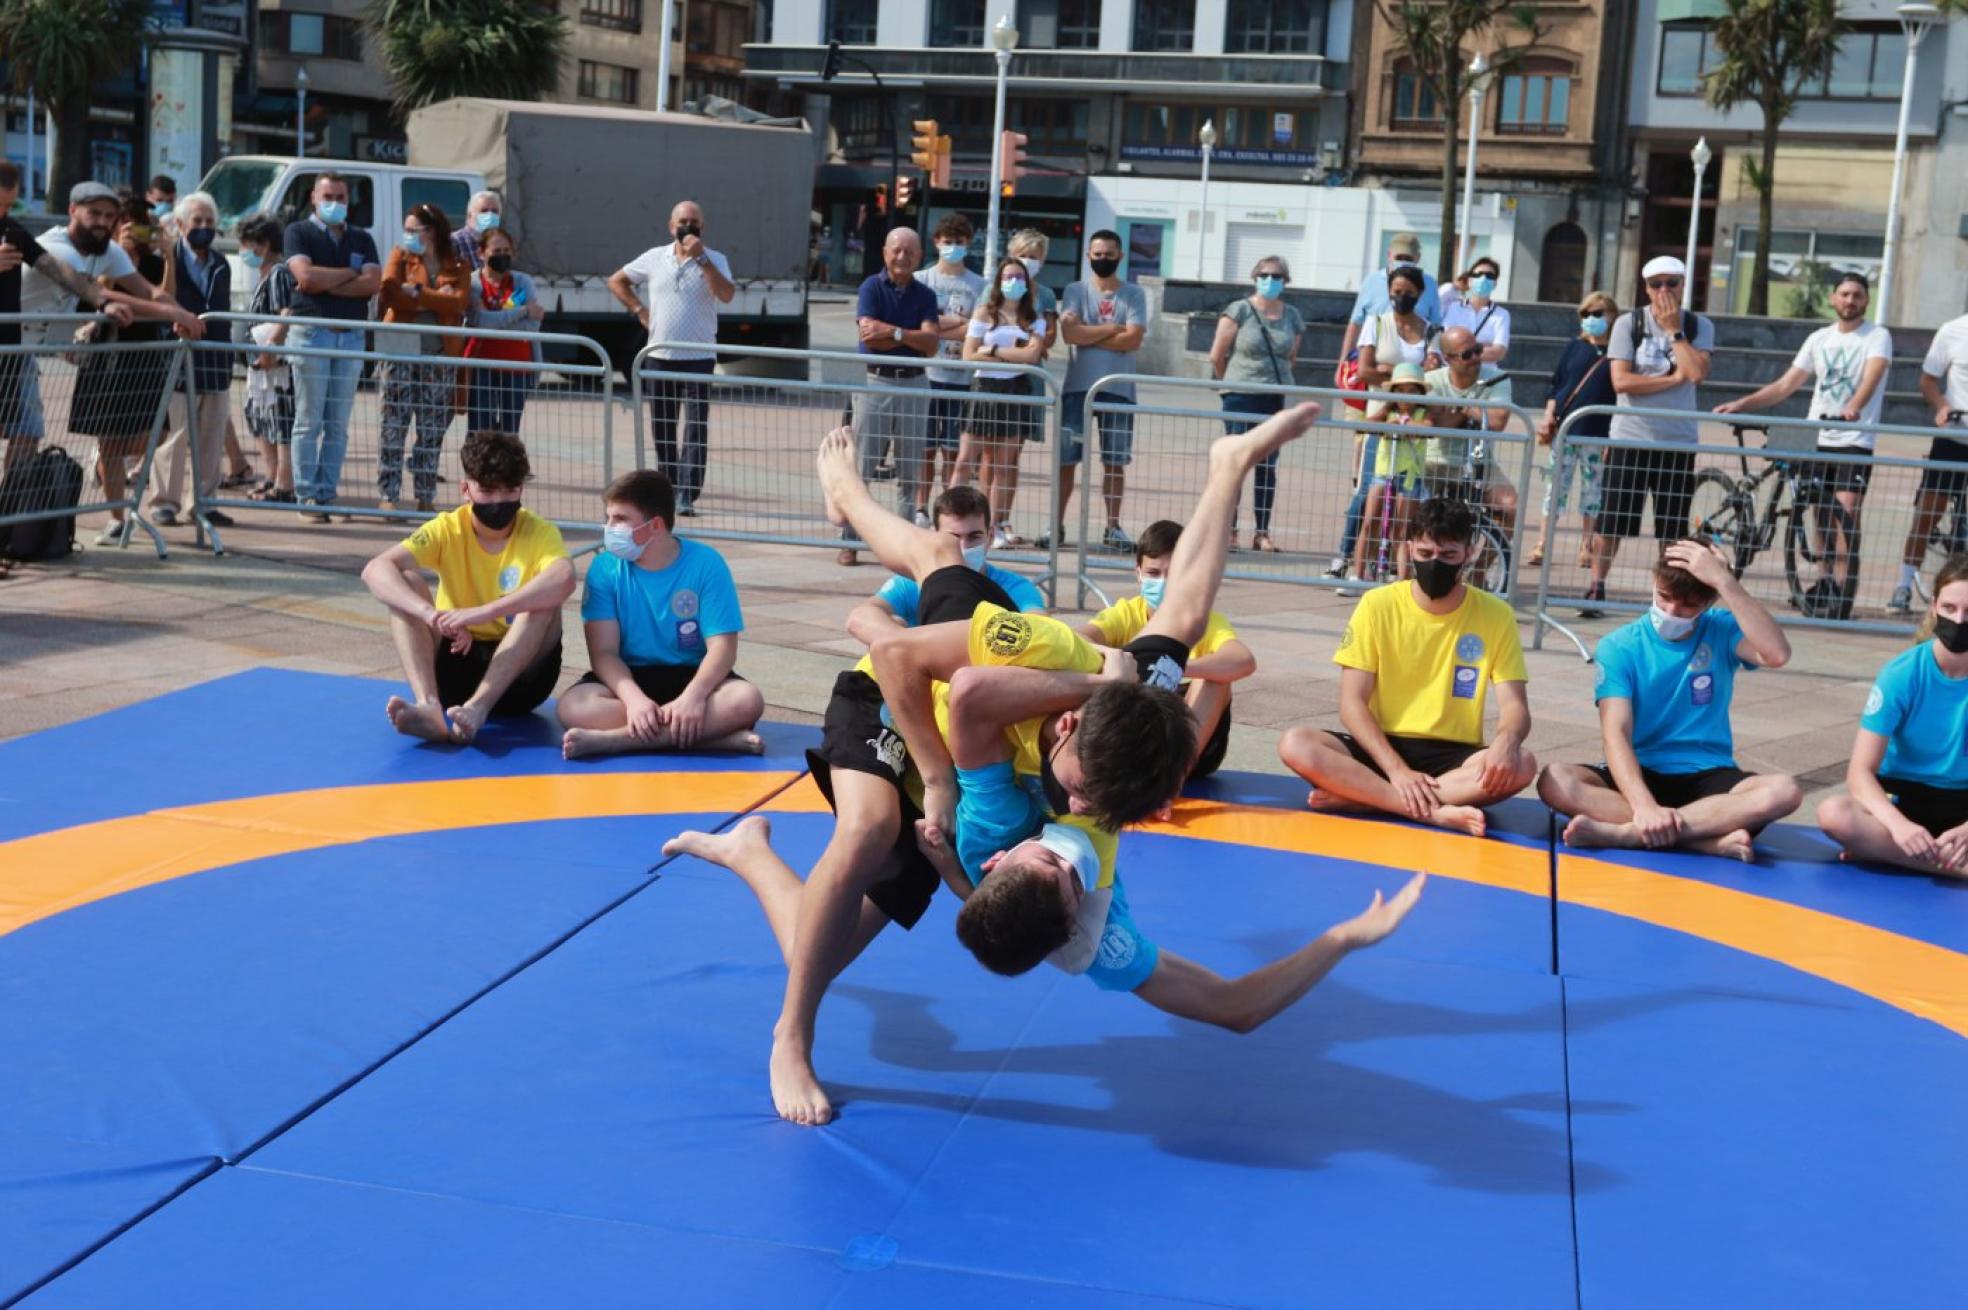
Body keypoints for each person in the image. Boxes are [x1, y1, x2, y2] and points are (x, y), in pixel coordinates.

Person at [734, 404, 1318, 1125]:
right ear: (1071, 725)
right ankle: (791, 1036)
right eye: (1075, 791)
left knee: (814, 943)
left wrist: (1230, 468)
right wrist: (939, 777)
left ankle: (748, 853)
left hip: (982, 756)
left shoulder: (1096, 786)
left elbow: (1190, 604)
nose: (1073, 812)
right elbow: (900, 659)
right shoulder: (1041, 655)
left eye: (1089, 808)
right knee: (867, 828)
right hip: (902, 702)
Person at [1278, 497, 1538, 837]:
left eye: (1448, 556)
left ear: (1470, 553)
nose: (1435, 564)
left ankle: (1368, 799)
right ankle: (1428, 811)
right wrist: (1397, 770)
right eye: (1426, 554)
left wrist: (1506, 741)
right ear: (1410, 547)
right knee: (1295, 743)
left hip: (1453, 753)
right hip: (1381, 747)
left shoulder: (1496, 614)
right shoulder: (1377, 604)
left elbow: (1515, 706)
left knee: (1523, 763)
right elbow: (1352, 704)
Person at [1539, 540, 1801, 861]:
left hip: (1708, 773)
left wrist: (1725, 580)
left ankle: (1631, 835)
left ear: (1709, 601)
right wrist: (1644, 805)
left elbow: (1776, 653)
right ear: (1654, 583)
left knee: (1784, 791)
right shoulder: (1619, 646)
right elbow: (1615, 733)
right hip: (1641, 770)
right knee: (1554, 780)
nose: (1671, 611)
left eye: (1688, 605)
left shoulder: (1721, 627)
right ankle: (1700, 838)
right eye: (1664, 597)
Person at [359, 430, 572, 744]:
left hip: (522, 678)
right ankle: (429, 706)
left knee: (543, 601)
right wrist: (431, 615)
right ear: (465, 489)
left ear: (521, 488)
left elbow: (565, 578)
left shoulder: (539, 531)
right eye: (487, 490)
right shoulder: (447, 528)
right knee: (405, 582)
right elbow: (375, 569)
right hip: (456, 662)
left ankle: (478, 707)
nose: (499, 502)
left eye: (510, 490)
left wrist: (481, 613)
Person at [557, 469, 765, 758]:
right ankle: (707, 738)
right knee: (573, 706)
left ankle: (620, 740)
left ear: (655, 526)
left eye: (620, 519)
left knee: (746, 699)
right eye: (608, 518)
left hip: (692, 674)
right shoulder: (605, 568)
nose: (609, 528)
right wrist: (634, 701)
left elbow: (723, 649)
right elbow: (604, 653)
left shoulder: (707, 563)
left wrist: (693, 698)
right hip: (629, 677)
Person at [34, 185, 201, 544]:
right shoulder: (58, 246)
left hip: (132, 353)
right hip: (38, 346)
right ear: (72, 210)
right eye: (97, 214)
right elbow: (95, 291)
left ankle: (19, 528)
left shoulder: (111, 252)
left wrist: (182, 313)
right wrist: (171, 312)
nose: (105, 223)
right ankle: (106, 517)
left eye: (111, 216)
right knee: (30, 437)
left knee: (152, 436)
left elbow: (149, 291)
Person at [1715, 272, 1887, 619]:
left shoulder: (1877, 336)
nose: (1850, 300)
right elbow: (1786, 384)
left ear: (1866, 300)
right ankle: (1823, 580)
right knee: (1817, 513)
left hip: (1853, 437)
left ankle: (1841, 588)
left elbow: (1873, 375)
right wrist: (1744, 404)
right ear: (1833, 299)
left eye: (1857, 295)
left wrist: (1854, 405)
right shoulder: (1819, 338)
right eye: (1844, 294)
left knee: (1846, 516)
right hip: (1813, 434)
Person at [1817, 556, 1968, 876]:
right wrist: (1898, 826)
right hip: (1903, 796)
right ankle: (1951, 867)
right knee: (1834, 812)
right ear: (1934, 608)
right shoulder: (1903, 673)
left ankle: (1897, 855)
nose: (1959, 620)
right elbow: (1859, 772)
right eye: (1950, 609)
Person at [1080, 519, 1256, 779]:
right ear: (1138, 572)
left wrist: (1171, 663)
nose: (1163, 582)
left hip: (1191, 746)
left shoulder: (1204, 619)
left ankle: (1173, 779)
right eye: (1153, 573)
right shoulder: (1126, 613)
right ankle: (1090, 765)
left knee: (1217, 678)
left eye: (1173, 574)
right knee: (1087, 664)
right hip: (1134, 739)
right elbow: (1078, 638)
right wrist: (1116, 658)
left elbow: (1243, 660)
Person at [0, 166, 134, 483]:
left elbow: (56, 269)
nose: (3, 214)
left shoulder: (13, 231)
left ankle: (13, 513)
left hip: (11, 352)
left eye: (8, 206)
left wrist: (103, 301)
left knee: (26, 430)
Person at [1590, 255, 1713, 596]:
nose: (1663, 291)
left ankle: (1667, 591)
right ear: (1645, 287)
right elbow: (1622, 381)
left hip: (1677, 440)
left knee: (1672, 525)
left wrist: (1675, 331)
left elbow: (1697, 374)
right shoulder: (1629, 324)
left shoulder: (1697, 325)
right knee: (1612, 518)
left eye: (1671, 283)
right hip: (1630, 437)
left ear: (1683, 285)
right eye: (1656, 284)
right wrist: (1673, 379)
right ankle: (1597, 583)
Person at [608, 200, 735, 517]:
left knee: (695, 427)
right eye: (682, 221)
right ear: (671, 226)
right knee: (663, 426)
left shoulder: (715, 259)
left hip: (698, 358)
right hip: (660, 356)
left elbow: (727, 294)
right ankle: (666, 488)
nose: (687, 227)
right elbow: (616, 280)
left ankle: (687, 494)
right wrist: (639, 310)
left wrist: (702, 259)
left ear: (702, 228)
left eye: (693, 222)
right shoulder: (655, 257)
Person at [284, 171, 381, 522]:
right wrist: (347, 275)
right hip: (313, 332)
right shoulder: (298, 231)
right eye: (328, 197)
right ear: (314, 197)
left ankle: (327, 494)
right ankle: (307, 496)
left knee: (337, 423)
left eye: (341, 198)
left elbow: (372, 283)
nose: (335, 204)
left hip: (350, 336)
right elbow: (304, 278)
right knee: (309, 419)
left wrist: (327, 281)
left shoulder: (361, 238)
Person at [846, 484, 1047, 652]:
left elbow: (1041, 630)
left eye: (974, 536)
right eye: (953, 538)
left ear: (990, 537)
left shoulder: (1015, 586)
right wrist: (899, 638)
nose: (963, 547)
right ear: (934, 537)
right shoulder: (911, 582)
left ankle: (846, 496)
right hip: (922, 684)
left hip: (977, 684)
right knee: (888, 628)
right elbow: (859, 618)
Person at [840, 226, 939, 566]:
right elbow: (869, 338)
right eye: (897, 250)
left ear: (919, 256)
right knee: (864, 465)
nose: (902, 256)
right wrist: (910, 337)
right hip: (875, 383)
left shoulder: (925, 295)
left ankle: (907, 544)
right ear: (885, 252)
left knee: (910, 468)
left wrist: (893, 332)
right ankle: (850, 539)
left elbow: (931, 345)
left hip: (914, 383)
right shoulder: (871, 287)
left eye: (910, 251)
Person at [1334, 264, 1434, 578]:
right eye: (1395, 293)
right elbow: (1364, 370)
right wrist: (1402, 377)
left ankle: (1393, 567)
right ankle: (1346, 557)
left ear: (1419, 293)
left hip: (1414, 417)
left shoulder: (1429, 329)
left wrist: (1393, 373)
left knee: (1405, 506)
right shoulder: (1377, 323)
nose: (1401, 298)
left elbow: (1432, 370)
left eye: (1407, 293)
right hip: (1382, 411)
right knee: (1368, 492)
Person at [1056, 230, 1148, 552]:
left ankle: (1113, 527)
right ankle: (1056, 525)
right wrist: (1111, 329)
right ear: (1088, 255)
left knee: (1115, 461)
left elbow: (1134, 339)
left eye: (1109, 253)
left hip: (1118, 389)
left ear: (1120, 256)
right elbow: (1068, 334)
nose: (1103, 259)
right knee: (1066, 460)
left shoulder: (1134, 294)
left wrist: (1088, 333)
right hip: (1076, 388)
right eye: (1098, 254)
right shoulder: (1074, 290)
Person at [148, 191, 235, 529]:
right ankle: (164, 502)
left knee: (212, 436)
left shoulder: (221, 264)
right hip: (178, 359)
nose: (204, 227)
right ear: (181, 224)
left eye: (209, 221)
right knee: (175, 434)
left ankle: (203, 502)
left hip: (215, 360)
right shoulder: (167, 260)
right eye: (197, 221)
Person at [376, 202, 469, 513]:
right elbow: (389, 292)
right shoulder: (399, 256)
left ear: (431, 232)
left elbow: (457, 303)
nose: (408, 235)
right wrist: (432, 300)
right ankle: (389, 495)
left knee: (431, 428)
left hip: (438, 355)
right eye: (407, 229)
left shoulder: (455, 265)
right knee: (393, 423)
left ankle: (425, 495)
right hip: (399, 352)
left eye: (413, 229)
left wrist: (417, 292)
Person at [1208, 255, 1303, 553]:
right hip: (1240, 395)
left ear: (1285, 281)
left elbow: (1291, 357)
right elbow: (1217, 355)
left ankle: (1262, 532)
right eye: (1265, 275)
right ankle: (1229, 530)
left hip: (1274, 396)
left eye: (1277, 276)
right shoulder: (1239, 310)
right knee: (1236, 463)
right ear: (1255, 277)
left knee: (1267, 466)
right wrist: (1230, 384)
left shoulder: (1292, 316)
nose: (1270, 280)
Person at [1531, 291, 1619, 579]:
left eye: (1598, 313)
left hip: (1599, 432)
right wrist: (1548, 417)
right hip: (1567, 429)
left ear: (1612, 316)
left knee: (1593, 493)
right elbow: (1558, 384)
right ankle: (1543, 544)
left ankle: (1587, 546)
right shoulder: (1575, 347)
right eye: (1586, 314)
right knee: (1555, 489)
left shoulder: (1618, 353)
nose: (1591, 320)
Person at [1890, 311, 1968, 614]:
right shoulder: (1953, 330)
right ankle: (1903, 585)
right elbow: (1928, 381)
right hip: (1954, 437)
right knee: (1927, 514)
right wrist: (1942, 406)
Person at [960, 256, 1050, 511]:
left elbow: (1031, 356)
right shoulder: (984, 312)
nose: (1014, 282)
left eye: (1019, 277)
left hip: (1015, 389)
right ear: (999, 281)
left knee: (1003, 465)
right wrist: (1009, 354)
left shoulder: (1035, 318)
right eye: (1008, 277)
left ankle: (994, 524)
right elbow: (968, 355)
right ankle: (951, 518)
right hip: (983, 388)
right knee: (965, 460)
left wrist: (991, 349)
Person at [1421, 325, 1518, 554]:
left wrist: (1460, 408)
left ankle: (1480, 574)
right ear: (1448, 359)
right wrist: (1476, 411)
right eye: (1467, 354)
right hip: (1434, 462)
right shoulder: (1430, 380)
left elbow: (1497, 422)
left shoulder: (1498, 379)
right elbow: (1436, 425)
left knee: (1510, 507)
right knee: (1407, 506)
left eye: (1477, 350)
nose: (1476, 358)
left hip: (1478, 462)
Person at [917, 214, 984, 511]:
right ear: (936, 243)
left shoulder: (979, 285)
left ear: (968, 244)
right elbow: (922, 325)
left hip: (962, 378)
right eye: (948, 242)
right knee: (925, 448)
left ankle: (948, 509)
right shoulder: (923, 280)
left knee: (954, 451)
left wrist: (941, 323)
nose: (953, 247)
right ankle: (920, 506)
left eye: (959, 243)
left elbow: (978, 329)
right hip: (927, 374)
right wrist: (960, 323)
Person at [1351, 362, 1431, 583]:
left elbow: (1428, 428)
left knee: (1402, 528)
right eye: (1401, 391)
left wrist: (1408, 426)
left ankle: (1403, 578)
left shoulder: (1425, 412)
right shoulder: (1389, 411)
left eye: (1412, 391)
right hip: (1384, 471)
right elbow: (1363, 425)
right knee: (1370, 521)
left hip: (1410, 473)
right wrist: (1389, 425)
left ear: (1421, 393)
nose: (1406, 397)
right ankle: (1357, 573)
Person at [238, 215, 298, 504]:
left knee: (282, 421)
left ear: (263, 245)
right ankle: (272, 476)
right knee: (262, 420)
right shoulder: (264, 274)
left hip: (275, 362)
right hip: (259, 363)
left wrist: (272, 347)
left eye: (247, 245)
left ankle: (285, 484)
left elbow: (285, 312)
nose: (244, 252)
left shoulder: (279, 273)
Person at [463, 226, 545, 435]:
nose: (502, 256)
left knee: (510, 431)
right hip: (481, 364)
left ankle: (507, 468)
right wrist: (523, 310)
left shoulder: (522, 282)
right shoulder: (473, 283)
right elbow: (481, 321)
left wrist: (497, 319)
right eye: (496, 251)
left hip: (516, 365)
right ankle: (479, 468)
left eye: (506, 251)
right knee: (480, 429)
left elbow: (533, 324)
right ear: (482, 253)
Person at [1336, 232, 1442, 387]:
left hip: (1413, 363)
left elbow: (1436, 326)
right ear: (1389, 255)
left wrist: (1393, 372)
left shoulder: (1429, 284)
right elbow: (1355, 324)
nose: (1403, 262)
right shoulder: (1372, 281)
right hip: (1371, 363)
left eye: (1408, 259)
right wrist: (1342, 363)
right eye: (1399, 258)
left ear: (1417, 258)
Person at [1441, 255, 1510, 378]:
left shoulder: (1502, 315)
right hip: (1453, 374)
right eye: (1478, 275)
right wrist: (1482, 347)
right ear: (1470, 280)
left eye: (1490, 276)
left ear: (1495, 283)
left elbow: (1499, 352)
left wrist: (1461, 352)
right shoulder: (1453, 307)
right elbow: (1447, 345)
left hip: (1485, 375)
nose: (1483, 278)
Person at [451, 191, 501, 270]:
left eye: (495, 211)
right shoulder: (454, 241)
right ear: (469, 215)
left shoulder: (501, 243)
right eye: (484, 211)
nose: (490, 215)